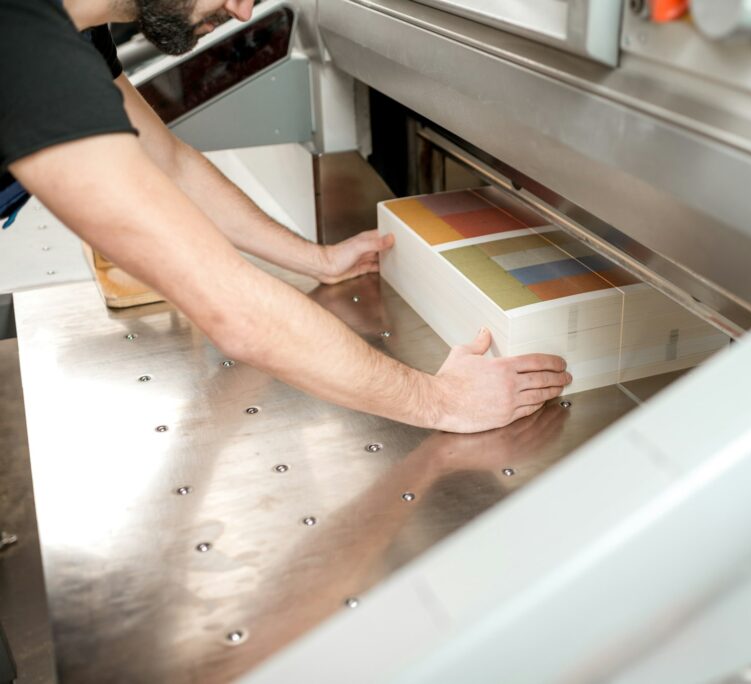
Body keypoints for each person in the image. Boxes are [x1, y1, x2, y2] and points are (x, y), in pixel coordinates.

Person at [0, 0, 572, 433]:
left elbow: (171, 164)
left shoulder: (74, 28)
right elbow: (229, 309)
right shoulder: (23, 38)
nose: (244, 9)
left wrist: (316, 259)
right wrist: (440, 401)